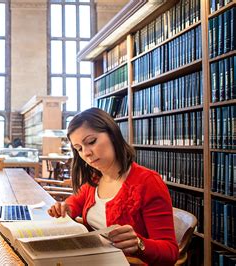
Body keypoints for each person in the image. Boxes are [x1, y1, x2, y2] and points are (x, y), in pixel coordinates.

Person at [47, 108, 178, 265]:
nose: (86, 153)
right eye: (79, 149)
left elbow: (170, 253)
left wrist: (139, 244)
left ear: (113, 134)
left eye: (91, 142)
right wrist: (65, 208)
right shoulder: (95, 179)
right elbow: (76, 201)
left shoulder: (148, 182)